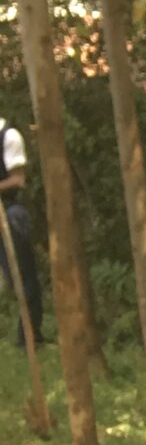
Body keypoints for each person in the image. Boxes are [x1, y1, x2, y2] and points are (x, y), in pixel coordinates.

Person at [1, 113, 43, 346]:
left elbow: (18, 179)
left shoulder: (9, 136)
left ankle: (29, 337)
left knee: (22, 278)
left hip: (7, 211)